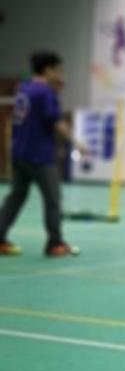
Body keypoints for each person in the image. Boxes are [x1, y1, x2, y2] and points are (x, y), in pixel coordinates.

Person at [0, 51, 80, 257]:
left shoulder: (24, 88)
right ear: (48, 70)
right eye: (58, 70)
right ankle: (55, 243)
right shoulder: (45, 92)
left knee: (16, 197)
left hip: (19, 153)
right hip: (39, 156)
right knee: (53, 199)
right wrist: (76, 141)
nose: (60, 74)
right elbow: (55, 120)